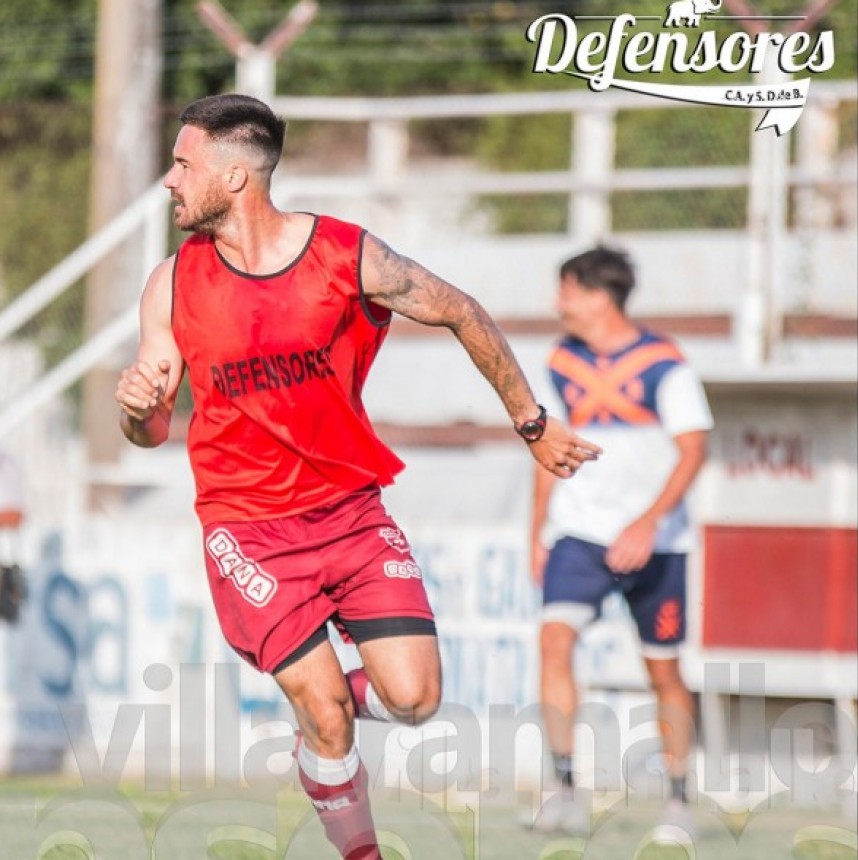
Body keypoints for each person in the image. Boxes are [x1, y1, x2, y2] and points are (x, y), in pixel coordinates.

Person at [115, 93, 601, 860]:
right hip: (247, 528)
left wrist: (531, 422)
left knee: (416, 698)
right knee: (328, 711)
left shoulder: (343, 256)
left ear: (236, 177)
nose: (170, 180)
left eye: (183, 164)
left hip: (350, 514)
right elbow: (147, 431)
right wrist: (138, 409)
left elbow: (461, 310)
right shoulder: (172, 283)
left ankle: (323, 720)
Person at [526, 246, 712, 844]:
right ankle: (564, 790)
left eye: (567, 291)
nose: (558, 303)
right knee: (554, 641)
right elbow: (546, 451)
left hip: (657, 543)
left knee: (664, 671)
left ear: (598, 297)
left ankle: (678, 801)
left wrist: (648, 523)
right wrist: (538, 532)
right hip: (579, 535)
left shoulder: (665, 364)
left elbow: (693, 451)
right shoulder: (561, 362)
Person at [0, 448, 26, 623]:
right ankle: (12, 599)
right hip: (15, 513)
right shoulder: (9, 458)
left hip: (5, 511)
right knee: (10, 558)